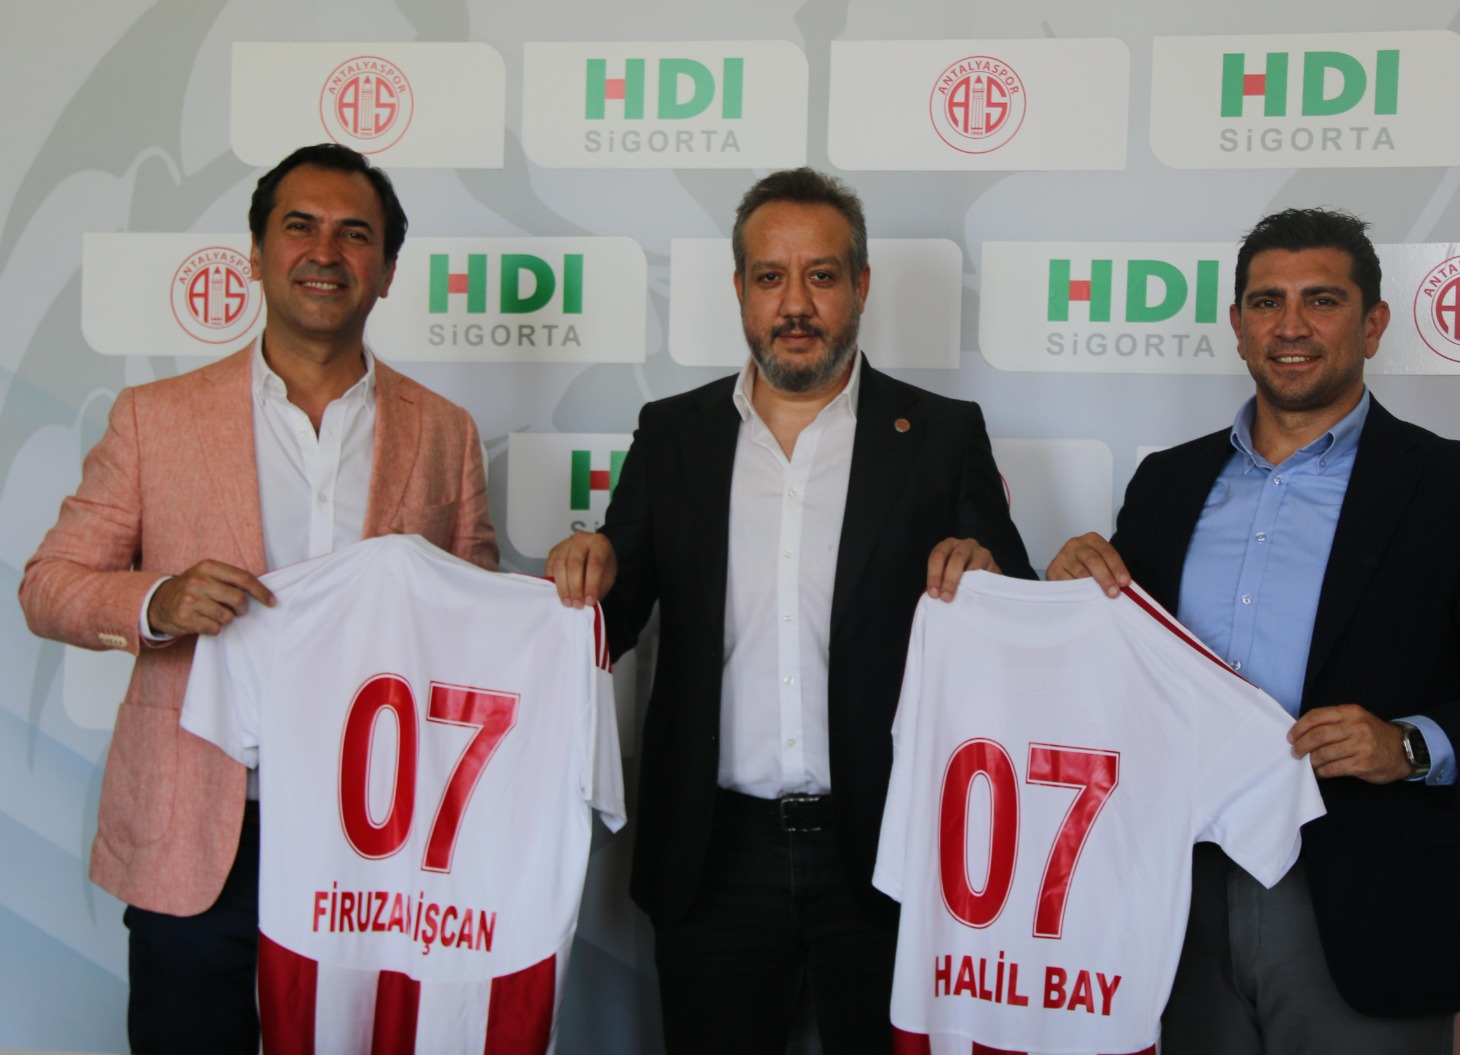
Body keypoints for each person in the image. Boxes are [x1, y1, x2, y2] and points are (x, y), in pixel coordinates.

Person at [1046, 207, 1460, 1053]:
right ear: (1237, 325)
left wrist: (1408, 744)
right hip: (1172, 892)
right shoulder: (1166, 483)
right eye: (1267, 302)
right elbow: (1119, 675)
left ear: (1373, 323)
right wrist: (1070, 603)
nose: (1290, 326)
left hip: (1368, 901)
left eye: (1321, 300)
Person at [19, 143, 499, 1055]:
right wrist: (158, 600)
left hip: (379, 835)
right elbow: (48, 586)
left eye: (355, 234)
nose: (326, 252)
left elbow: (470, 616)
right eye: (300, 226)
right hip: (202, 833)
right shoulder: (154, 418)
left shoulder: (445, 431)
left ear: (388, 270)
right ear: (255, 251)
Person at [546, 167, 1033, 1053]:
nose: (796, 304)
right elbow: (615, 610)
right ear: (739, 288)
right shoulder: (673, 434)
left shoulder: (939, 435)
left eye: (822, 276)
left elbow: (1018, 617)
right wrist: (591, 572)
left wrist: (988, 573)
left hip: (892, 846)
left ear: (862, 285)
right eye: (771, 277)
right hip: (714, 854)